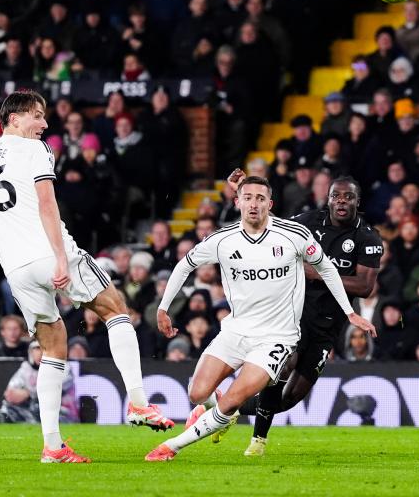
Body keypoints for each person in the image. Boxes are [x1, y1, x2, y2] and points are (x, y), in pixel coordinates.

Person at [0, 90, 172, 464]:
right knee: (116, 309)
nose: (44, 124)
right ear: (13, 119)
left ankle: (52, 446)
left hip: (15, 268)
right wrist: (61, 258)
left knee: (53, 347)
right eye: (36, 116)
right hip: (49, 252)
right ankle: (140, 404)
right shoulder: (36, 150)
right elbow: (47, 203)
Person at [145, 175, 376, 461]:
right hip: (235, 331)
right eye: (248, 198)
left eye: (260, 199)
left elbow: (327, 269)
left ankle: (172, 446)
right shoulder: (221, 239)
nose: (254, 204)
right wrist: (163, 307)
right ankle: (223, 417)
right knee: (197, 393)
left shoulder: (294, 234)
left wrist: (350, 312)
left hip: (277, 337)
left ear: (270, 204)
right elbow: (185, 265)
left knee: (234, 401)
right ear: (237, 202)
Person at [237, 173, 383, 456]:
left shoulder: (368, 237)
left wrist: (318, 273)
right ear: (327, 199)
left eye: (348, 197)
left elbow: (364, 287)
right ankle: (258, 441)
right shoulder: (308, 222)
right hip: (295, 312)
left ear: (357, 201)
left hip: (329, 325)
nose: (341, 201)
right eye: (336, 196)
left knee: (291, 397)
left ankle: (228, 409)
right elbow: (273, 225)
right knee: (283, 364)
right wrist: (245, 191)